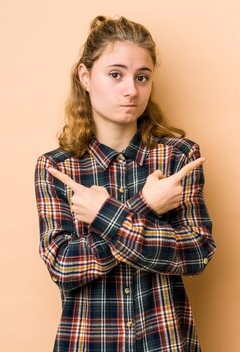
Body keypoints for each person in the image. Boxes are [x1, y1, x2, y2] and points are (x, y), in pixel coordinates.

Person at [34, 15, 216, 352]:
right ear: (85, 76)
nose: (131, 90)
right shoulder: (57, 167)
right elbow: (63, 264)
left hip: (165, 342)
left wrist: (102, 214)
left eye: (142, 77)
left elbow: (197, 252)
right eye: (115, 74)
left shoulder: (177, 158)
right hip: (88, 342)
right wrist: (145, 206)